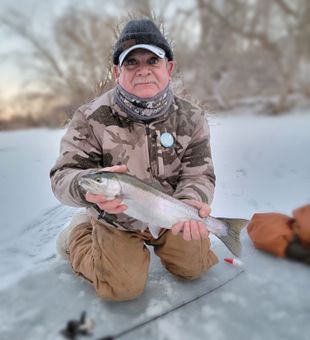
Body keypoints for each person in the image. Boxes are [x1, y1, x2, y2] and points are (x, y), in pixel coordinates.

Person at [50, 18, 218, 301]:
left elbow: (200, 174)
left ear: (169, 68)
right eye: (131, 63)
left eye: (153, 61)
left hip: (170, 214)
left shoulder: (192, 117)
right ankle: (79, 233)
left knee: (194, 267)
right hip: (116, 220)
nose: (143, 71)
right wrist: (84, 188)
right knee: (121, 288)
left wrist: (191, 200)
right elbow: (63, 175)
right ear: (117, 72)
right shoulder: (90, 117)